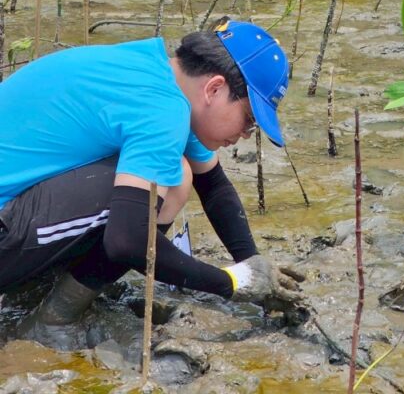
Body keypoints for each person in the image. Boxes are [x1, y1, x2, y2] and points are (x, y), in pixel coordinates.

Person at [0, 18, 305, 340]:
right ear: (215, 88)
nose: (245, 133)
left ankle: (36, 292)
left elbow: (214, 187)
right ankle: (52, 321)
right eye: (249, 119)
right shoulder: (164, 110)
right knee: (173, 182)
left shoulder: (154, 71)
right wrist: (233, 282)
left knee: (170, 175)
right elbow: (128, 242)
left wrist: (255, 267)